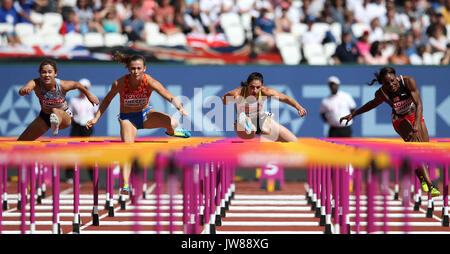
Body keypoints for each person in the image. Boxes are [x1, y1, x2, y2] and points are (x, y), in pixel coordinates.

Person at [86, 51, 190, 197]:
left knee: (173, 122)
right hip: (128, 119)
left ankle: (172, 132)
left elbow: (168, 95)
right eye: (133, 68)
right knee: (127, 150)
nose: (135, 71)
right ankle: (126, 184)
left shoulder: (150, 82)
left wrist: (180, 108)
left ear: (144, 68)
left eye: (139, 68)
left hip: (145, 115)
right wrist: (96, 118)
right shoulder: (120, 83)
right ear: (128, 69)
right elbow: (107, 100)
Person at [339, 66, 440, 197]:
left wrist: (415, 124)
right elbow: (372, 104)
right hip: (399, 120)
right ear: (383, 84)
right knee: (416, 147)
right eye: (387, 83)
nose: (391, 85)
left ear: (396, 77)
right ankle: (430, 185)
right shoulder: (382, 93)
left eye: (393, 80)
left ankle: (420, 174)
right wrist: (354, 114)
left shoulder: (408, 81)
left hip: (415, 115)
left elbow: (419, 104)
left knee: (425, 151)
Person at [17, 59, 99, 141]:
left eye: (50, 72)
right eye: (43, 72)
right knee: (21, 141)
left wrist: (89, 95)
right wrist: (24, 90)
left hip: (64, 117)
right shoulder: (36, 83)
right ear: (40, 73)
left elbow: (77, 84)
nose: (47, 75)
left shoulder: (62, 85)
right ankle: (54, 122)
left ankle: (55, 122)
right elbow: (23, 90)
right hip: (44, 117)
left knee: (55, 110)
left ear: (55, 73)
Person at [222, 72, 307, 142]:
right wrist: (227, 101)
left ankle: (262, 123)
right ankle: (249, 123)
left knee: (294, 142)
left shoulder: (265, 91)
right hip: (243, 125)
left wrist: (298, 107)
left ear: (262, 86)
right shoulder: (238, 93)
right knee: (251, 130)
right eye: (252, 87)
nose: (254, 90)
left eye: (258, 87)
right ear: (247, 85)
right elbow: (224, 98)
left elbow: (285, 98)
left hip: (261, 121)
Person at [65, 78, 98, 183]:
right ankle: (69, 176)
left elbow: (96, 113)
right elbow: (70, 114)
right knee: (72, 151)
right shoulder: (74, 100)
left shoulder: (92, 99)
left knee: (89, 152)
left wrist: (91, 122)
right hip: (76, 126)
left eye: (86, 87)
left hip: (87, 127)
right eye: (82, 87)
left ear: (89, 88)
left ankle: (93, 177)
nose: (84, 90)